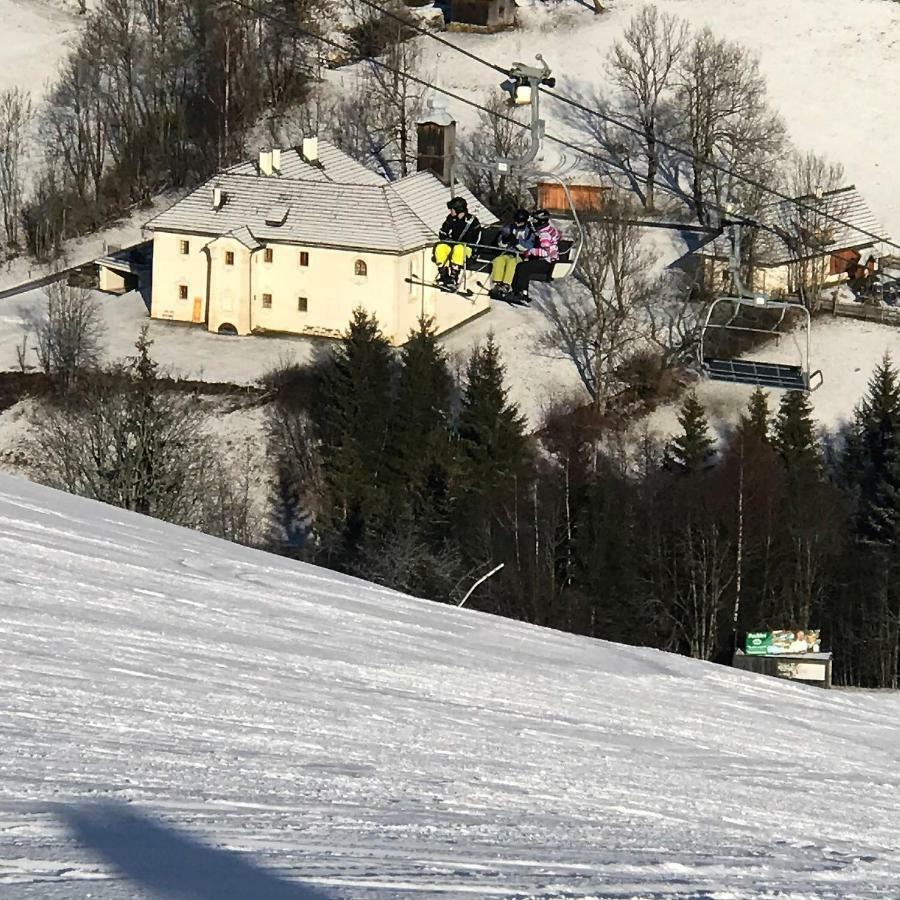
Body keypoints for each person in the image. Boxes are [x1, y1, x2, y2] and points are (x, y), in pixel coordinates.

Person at [510, 209, 561, 301]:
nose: (533, 223)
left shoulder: (544, 234)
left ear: (540, 221)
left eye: (535, 221)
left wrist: (530, 251)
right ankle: (523, 291)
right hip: (552, 261)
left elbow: (546, 252)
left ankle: (518, 291)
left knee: (522, 267)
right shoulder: (550, 230)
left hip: (547, 262)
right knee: (526, 266)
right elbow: (558, 237)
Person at [434, 197, 481, 288]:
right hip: (453, 245)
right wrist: (447, 238)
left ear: (458, 209)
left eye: (452, 209)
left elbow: (478, 238)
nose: (450, 211)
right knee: (440, 247)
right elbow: (443, 232)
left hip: (467, 249)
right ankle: (444, 274)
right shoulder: (451, 218)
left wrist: (475, 252)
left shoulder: (472, 221)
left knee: (459, 248)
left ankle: (454, 276)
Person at [489, 208, 535, 298]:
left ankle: (506, 285)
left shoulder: (529, 232)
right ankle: (497, 284)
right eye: (516, 221)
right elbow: (499, 244)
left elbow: (528, 248)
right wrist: (505, 241)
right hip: (508, 253)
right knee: (499, 260)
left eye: (520, 222)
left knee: (512, 263)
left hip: (520, 256)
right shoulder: (508, 228)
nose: (517, 224)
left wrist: (517, 243)